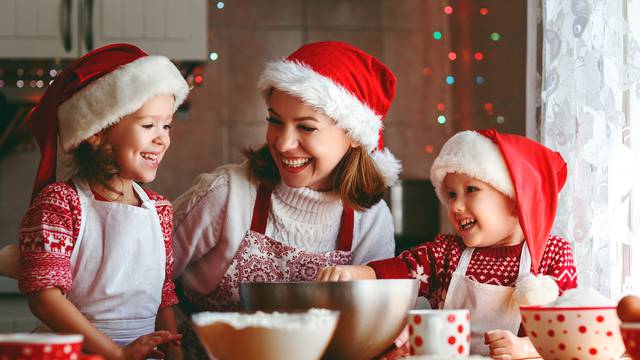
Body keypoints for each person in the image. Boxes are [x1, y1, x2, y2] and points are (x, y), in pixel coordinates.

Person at [171, 41, 401, 358]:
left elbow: (368, 321)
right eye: (275, 120)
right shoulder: (227, 194)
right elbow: (147, 277)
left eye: (306, 127)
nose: (283, 142)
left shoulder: (369, 217)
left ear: (352, 135)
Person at [316, 129, 578, 358]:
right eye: (451, 194)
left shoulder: (551, 254)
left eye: (471, 190)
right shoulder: (447, 253)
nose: (456, 205)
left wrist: (525, 348)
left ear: (515, 198)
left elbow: (569, 332)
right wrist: (352, 272)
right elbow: (401, 269)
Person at [17, 43, 189, 360]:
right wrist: (115, 354)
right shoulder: (59, 203)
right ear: (95, 132)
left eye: (166, 125)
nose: (162, 137)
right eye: (148, 125)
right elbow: (44, 298)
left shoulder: (159, 210)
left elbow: (163, 296)